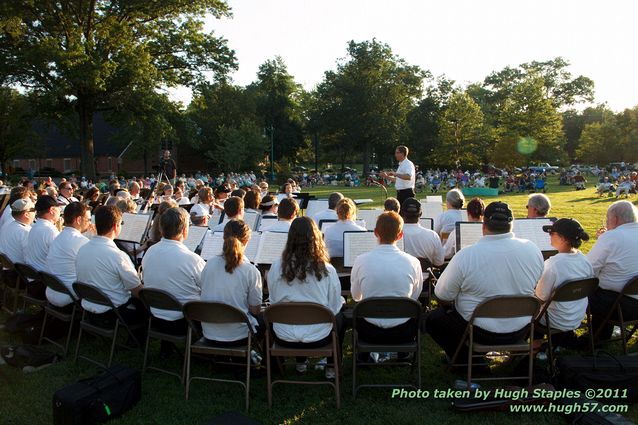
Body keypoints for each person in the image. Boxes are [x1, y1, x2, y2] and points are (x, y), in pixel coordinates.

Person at [426, 201, 544, 360]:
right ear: (511, 225)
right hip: (520, 327)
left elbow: (443, 295)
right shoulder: (533, 250)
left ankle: (464, 360)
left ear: (483, 225)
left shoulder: (467, 255)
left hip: (478, 330)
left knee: (434, 320)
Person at [267, 217, 345, 379]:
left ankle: (300, 363)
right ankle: (331, 366)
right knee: (340, 318)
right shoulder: (327, 270)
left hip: (284, 336)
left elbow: (274, 301)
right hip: (318, 337)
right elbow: (334, 307)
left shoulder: (276, 267)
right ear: (316, 238)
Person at [351, 212, 423, 350]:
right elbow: (414, 296)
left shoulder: (361, 260)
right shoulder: (413, 262)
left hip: (368, 330)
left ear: (375, 233)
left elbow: (356, 296)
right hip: (404, 331)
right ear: (401, 235)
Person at [142, 207, 205, 355]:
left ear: (161, 229)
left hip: (155, 317)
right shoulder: (192, 259)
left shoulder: (150, 251)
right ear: (185, 231)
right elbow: (209, 288)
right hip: (184, 322)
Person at [75, 206, 146, 331]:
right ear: (115, 226)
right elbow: (137, 291)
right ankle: (136, 340)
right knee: (144, 304)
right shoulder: (118, 256)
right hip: (113, 312)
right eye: (121, 223)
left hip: (88, 306)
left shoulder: (82, 249)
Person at [200, 220, 263, 344]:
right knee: (266, 320)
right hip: (239, 336)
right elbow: (255, 310)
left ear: (223, 238)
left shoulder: (209, 264)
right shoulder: (250, 270)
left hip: (209, 333)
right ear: (247, 241)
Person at [534, 218, 593, 347]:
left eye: (552, 233)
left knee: (529, 309)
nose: (549, 236)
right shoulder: (585, 260)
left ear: (563, 239)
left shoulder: (553, 264)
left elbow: (541, 297)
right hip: (576, 317)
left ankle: (534, 348)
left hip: (554, 320)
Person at [586, 201, 638, 341]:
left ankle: (568, 336)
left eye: (607, 219)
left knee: (575, 292)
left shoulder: (611, 237)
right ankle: (600, 334)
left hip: (619, 307)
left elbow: (588, 270)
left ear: (614, 219)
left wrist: (605, 239)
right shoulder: (614, 236)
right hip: (631, 302)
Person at [45, 202, 91, 308]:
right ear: (79, 220)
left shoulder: (59, 236)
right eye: (88, 219)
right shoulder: (81, 241)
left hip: (52, 291)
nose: (90, 223)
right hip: (68, 296)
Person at [400, 198, 444, 266]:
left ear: (401, 213)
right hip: (426, 276)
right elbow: (439, 262)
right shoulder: (432, 236)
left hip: (402, 275)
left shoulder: (393, 236)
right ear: (420, 214)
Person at [26, 196, 61, 279]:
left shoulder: (35, 226)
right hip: (43, 280)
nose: (60, 211)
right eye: (58, 208)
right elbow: (59, 259)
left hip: (33, 276)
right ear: (52, 210)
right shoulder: (50, 230)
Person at [0, 198, 36, 264]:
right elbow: (31, 258)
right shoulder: (26, 232)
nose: (35, 212)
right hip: (18, 270)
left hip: (7, 267)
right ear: (26, 214)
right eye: (33, 209)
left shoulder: (8, 224)